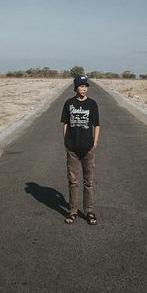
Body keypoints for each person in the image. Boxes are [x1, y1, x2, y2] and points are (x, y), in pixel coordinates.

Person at [61, 74, 100, 225]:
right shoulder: (68, 103)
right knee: (73, 181)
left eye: (85, 86)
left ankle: (89, 211)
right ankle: (72, 211)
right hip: (72, 149)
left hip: (88, 149)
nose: (84, 88)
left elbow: (96, 125)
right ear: (76, 87)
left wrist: (95, 143)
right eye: (81, 86)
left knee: (88, 182)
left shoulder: (92, 104)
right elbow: (65, 123)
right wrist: (66, 142)